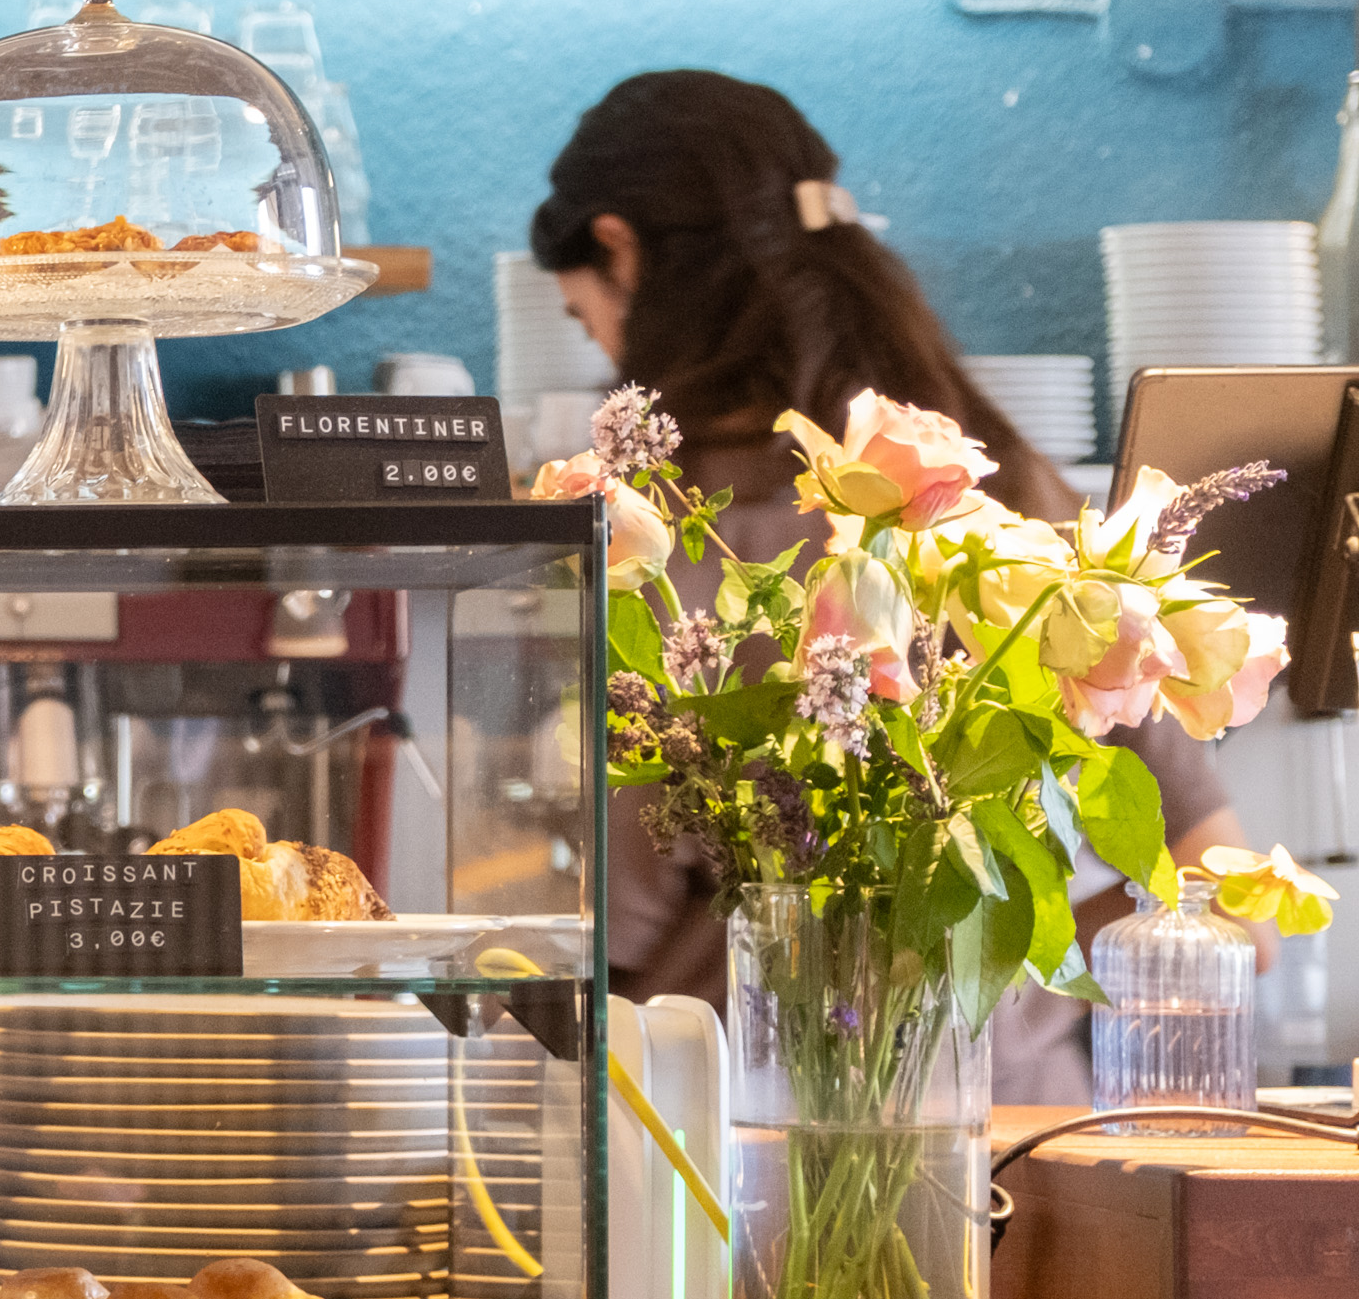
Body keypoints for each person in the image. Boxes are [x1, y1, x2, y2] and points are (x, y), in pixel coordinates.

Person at [531, 69, 1257, 1100]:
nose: (601, 348)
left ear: (620, 245)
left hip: (734, 1166)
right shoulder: (1010, 514)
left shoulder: (660, 559)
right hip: (1015, 1152)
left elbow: (600, 937)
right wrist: (997, 951)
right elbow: (1240, 914)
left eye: (580, 316)